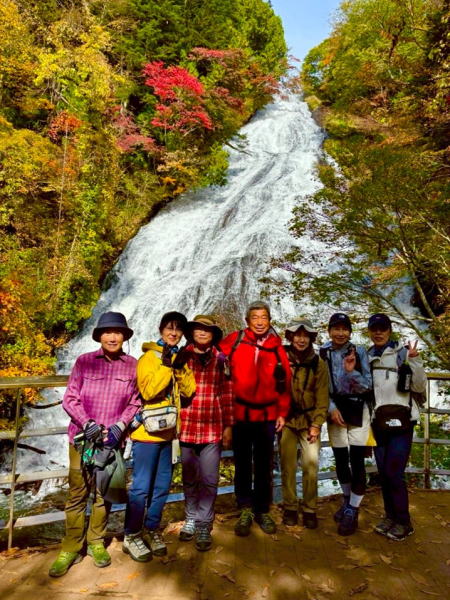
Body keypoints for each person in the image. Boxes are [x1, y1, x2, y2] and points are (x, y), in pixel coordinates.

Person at [49, 312, 140, 577]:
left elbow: (135, 401)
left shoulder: (132, 365)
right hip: (82, 440)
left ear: (124, 336)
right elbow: (70, 398)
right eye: (107, 332)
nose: (112, 337)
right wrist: (87, 423)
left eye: (117, 332)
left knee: (103, 495)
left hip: (112, 441)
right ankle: (70, 547)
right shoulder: (85, 361)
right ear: (99, 336)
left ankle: (96, 542)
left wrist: (121, 425)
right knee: (77, 493)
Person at [122, 311, 196, 562]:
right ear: (161, 329)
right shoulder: (149, 358)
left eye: (178, 329)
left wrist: (180, 367)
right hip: (147, 434)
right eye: (169, 328)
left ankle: (151, 528)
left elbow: (189, 391)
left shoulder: (176, 357)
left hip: (169, 435)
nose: (174, 333)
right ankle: (131, 534)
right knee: (141, 488)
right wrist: (166, 366)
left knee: (162, 487)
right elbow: (149, 391)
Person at [220, 301, 291, 536]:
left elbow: (285, 382)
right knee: (242, 465)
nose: (260, 322)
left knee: (264, 465)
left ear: (270, 320)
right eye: (255, 317)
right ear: (247, 320)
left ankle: (262, 510)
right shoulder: (235, 340)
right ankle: (244, 509)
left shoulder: (276, 347)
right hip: (240, 414)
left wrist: (282, 412)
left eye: (264, 317)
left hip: (267, 416)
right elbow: (213, 357)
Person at [177, 315, 234, 551]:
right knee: (190, 478)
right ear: (192, 333)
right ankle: (190, 517)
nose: (202, 333)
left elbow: (227, 393)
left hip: (212, 427)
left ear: (213, 335)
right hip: (186, 426)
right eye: (198, 329)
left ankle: (203, 523)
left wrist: (229, 426)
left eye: (207, 330)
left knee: (209, 479)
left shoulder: (221, 360)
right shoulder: (181, 357)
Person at [368, 313, 427, 541]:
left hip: (403, 421)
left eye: (382, 329)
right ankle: (390, 517)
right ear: (369, 332)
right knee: (384, 473)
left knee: (394, 473)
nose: (379, 333)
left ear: (389, 331)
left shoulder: (403, 354)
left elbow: (419, 386)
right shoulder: (367, 357)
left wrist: (415, 360)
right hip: (378, 422)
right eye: (375, 329)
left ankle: (404, 521)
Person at [320, 312, 373, 536]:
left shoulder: (359, 351)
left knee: (357, 460)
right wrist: (331, 408)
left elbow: (368, 385)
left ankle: (353, 509)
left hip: (359, 408)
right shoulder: (323, 352)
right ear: (329, 331)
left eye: (344, 329)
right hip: (336, 411)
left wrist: (352, 373)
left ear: (350, 332)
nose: (340, 333)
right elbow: (322, 385)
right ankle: (347, 500)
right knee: (341, 459)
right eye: (336, 328)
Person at [279, 318, 329, 529]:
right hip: (287, 421)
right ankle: (290, 507)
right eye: (297, 335)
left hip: (309, 422)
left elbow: (323, 398)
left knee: (311, 467)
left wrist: (317, 424)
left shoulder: (318, 364)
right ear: (290, 337)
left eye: (305, 335)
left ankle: (310, 509)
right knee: (287, 466)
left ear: (311, 338)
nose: (301, 339)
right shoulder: (281, 359)